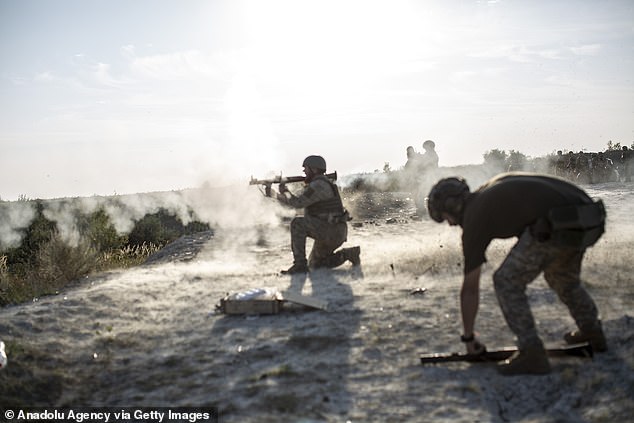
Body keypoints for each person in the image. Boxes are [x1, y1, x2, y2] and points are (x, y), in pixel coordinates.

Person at [426, 172, 607, 375]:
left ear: (453, 206)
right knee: (563, 278)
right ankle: (592, 331)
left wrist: (468, 337)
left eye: (445, 217)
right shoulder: (490, 189)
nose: (450, 224)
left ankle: (532, 354)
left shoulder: (474, 217)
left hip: (559, 222)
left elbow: (470, 289)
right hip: (589, 217)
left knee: (506, 281)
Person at [273, 155, 361, 274]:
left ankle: (299, 265)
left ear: (314, 170)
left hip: (330, 230)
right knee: (315, 265)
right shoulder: (319, 184)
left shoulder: (319, 185)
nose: (304, 171)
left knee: (298, 223)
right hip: (332, 230)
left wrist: (281, 193)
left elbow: (298, 203)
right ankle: (348, 254)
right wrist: (280, 193)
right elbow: (297, 201)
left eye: (306, 168)